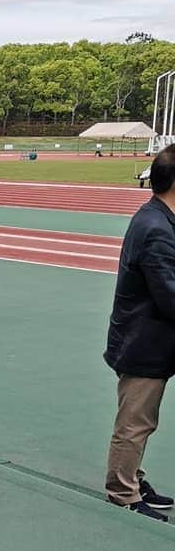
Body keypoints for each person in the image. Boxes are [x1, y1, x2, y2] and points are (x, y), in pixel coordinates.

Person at [103, 143, 175, 522]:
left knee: (141, 419)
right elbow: (169, 296)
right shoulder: (157, 230)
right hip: (144, 341)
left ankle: (133, 477)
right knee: (135, 422)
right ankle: (123, 491)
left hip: (143, 337)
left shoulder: (156, 217)